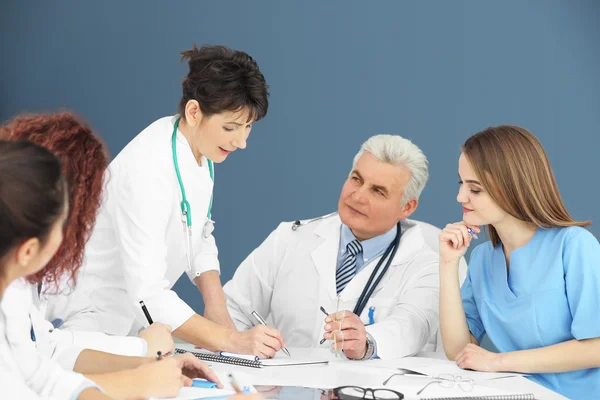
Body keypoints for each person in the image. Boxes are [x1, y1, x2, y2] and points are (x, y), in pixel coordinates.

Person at [45, 44, 285, 356]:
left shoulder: (199, 148)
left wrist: (217, 309)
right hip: (85, 319)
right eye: (231, 128)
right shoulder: (147, 169)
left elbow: (197, 232)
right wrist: (229, 340)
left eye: (248, 127)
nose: (241, 142)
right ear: (194, 111)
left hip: (131, 321)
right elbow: (149, 294)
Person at [224, 134, 441, 360]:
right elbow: (232, 309)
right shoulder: (289, 238)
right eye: (356, 179)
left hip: (362, 390)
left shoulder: (426, 266)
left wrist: (367, 342)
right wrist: (242, 351)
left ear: (407, 207)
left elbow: (413, 326)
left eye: (377, 191)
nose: (358, 196)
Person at [0, 112, 174, 368]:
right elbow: (39, 361)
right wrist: (142, 351)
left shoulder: (23, 275)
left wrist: (141, 355)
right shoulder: (15, 282)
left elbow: (45, 349)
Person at [438, 125, 600, 399]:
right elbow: (459, 350)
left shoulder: (573, 245)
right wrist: (447, 265)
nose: (460, 197)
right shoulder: (482, 260)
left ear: (513, 188)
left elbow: (596, 348)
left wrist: (497, 362)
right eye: (461, 184)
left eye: (474, 189)